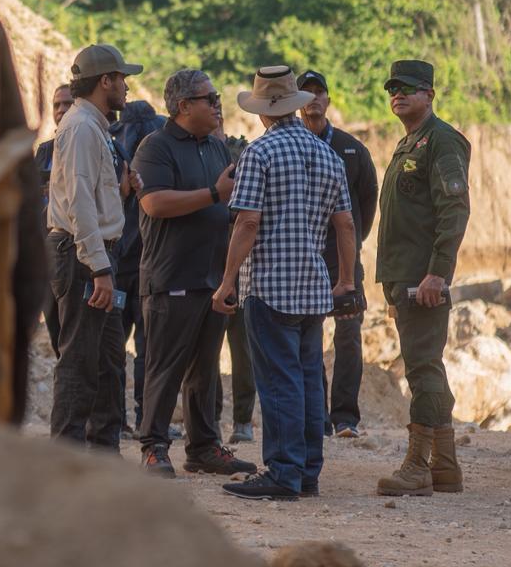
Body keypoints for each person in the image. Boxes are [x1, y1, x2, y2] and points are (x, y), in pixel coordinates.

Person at [213, 66, 357, 501]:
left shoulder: (259, 153)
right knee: (310, 378)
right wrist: (346, 279)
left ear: (263, 112)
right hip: (313, 286)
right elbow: (346, 224)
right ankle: (308, 470)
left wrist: (226, 282)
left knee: (278, 380)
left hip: (270, 285)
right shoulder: (327, 154)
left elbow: (248, 222)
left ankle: (283, 471)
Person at [133, 70, 256, 477]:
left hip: (214, 280)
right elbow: (154, 204)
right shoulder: (156, 147)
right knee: (165, 368)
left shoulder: (217, 149)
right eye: (210, 98)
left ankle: (203, 447)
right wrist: (213, 195)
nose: (218, 105)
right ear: (184, 106)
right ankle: (154, 446)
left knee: (206, 370)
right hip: (172, 278)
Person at [374, 59, 471, 497]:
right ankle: (445, 466)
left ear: (430, 94)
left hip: (423, 280)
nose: (399, 93)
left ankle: (417, 466)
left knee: (423, 369)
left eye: (409, 88)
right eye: (393, 87)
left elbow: (454, 210)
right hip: (405, 279)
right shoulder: (408, 143)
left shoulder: (442, 141)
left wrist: (438, 273)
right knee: (426, 365)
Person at [46, 44, 142, 450]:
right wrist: (100, 269)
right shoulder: (82, 128)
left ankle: (103, 459)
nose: (126, 87)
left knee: (107, 362)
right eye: (121, 78)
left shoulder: (94, 127)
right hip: (85, 257)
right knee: (81, 361)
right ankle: (65, 462)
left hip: (96, 254)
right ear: (105, 81)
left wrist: (119, 195)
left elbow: (92, 199)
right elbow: (79, 203)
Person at [298, 70, 379, 438]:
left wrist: (351, 244)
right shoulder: (287, 146)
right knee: (308, 337)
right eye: (306, 93)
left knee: (348, 336)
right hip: (301, 259)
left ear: (329, 101)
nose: (314, 99)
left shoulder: (352, 149)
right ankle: (316, 416)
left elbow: (367, 202)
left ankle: (345, 417)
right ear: (295, 102)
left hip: (344, 259)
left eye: (320, 92)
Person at [109, 100, 164, 432]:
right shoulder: (157, 153)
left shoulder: (114, 152)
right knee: (147, 347)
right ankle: (145, 417)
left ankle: (119, 419)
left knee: (115, 347)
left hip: (117, 263)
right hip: (149, 266)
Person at [211, 107, 257, 444]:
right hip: (204, 262)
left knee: (243, 350)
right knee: (205, 350)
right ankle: (209, 419)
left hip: (240, 265)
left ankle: (242, 420)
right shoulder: (188, 151)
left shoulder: (241, 151)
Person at [35, 86, 75, 354]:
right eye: (56, 105)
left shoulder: (85, 143)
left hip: (74, 250)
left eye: (67, 104)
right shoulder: (45, 150)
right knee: (55, 330)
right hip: (46, 250)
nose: (61, 111)